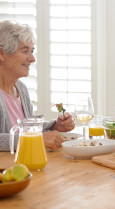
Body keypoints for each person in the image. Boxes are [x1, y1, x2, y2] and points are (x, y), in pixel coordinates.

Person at [0, 20, 75, 151]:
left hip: (25, 163)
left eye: (32, 51)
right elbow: (27, 137)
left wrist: (55, 127)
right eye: (25, 51)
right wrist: (35, 139)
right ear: (1, 54)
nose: (32, 59)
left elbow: (27, 130)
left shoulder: (21, 89)